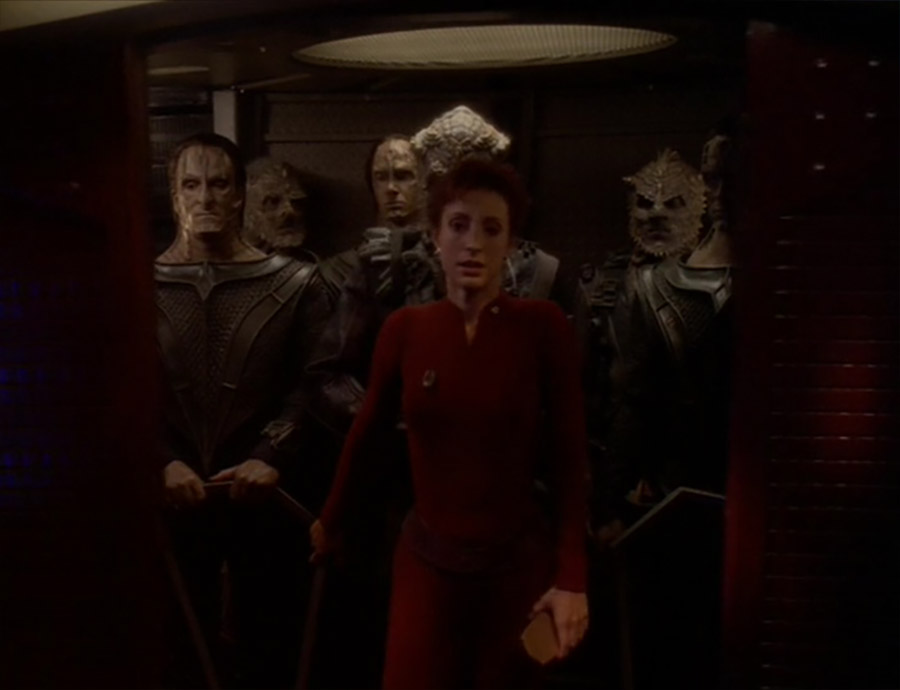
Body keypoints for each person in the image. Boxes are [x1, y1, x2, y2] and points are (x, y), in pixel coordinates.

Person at [311, 159, 590, 689]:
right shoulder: (405, 328)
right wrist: (332, 519)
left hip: (516, 566)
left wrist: (572, 577)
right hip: (427, 563)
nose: (473, 244)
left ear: (511, 243)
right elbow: (367, 434)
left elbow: (569, 455)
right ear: (435, 236)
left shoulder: (543, 326)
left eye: (492, 229)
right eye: (459, 225)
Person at [155, 132, 331, 688]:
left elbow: (316, 383)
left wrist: (271, 452)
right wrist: (160, 460)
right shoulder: (136, 284)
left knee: (269, 648)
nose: (204, 197)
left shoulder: (294, 284)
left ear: (238, 194)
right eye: (191, 184)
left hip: (262, 497)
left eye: (218, 184)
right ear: (174, 194)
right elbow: (117, 390)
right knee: (175, 651)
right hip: (170, 499)